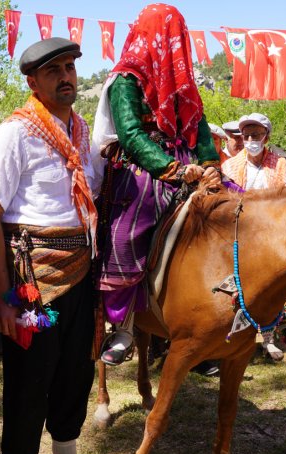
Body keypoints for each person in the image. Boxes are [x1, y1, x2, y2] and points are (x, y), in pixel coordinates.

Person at [0, 38, 122, 454]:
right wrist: (2, 296)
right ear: (33, 82)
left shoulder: (82, 131)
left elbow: (95, 190)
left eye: (69, 68)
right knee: (29, 376)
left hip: (82, 271)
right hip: (30, 281)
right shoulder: (15, 131)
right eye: (53, 71)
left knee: (76, 370)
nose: (65, 77)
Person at [91, 4, 222, 366]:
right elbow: (131, 136)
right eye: (168, 33)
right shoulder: (124, 80)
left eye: (178, 34)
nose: (173, 42)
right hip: (144, 167)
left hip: (190, 163)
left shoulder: (184, 83)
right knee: (128, 230)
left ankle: (210, 322)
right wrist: (174, 170)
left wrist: (211, 166)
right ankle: (124, 327)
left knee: (232, 214)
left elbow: (200, 127)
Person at [221, 113, 286, 361]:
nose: (250, 140)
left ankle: (269, 339)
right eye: (246, 135)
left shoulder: (280, 165)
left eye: (256, 135)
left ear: (266, 137)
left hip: (271, 236)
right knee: (238, 287)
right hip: (239, 234)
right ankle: (238, 337)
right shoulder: (229, 167)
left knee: (271, 289)